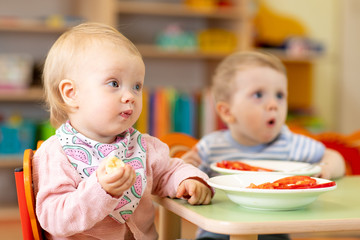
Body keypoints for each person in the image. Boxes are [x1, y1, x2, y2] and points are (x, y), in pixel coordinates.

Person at [33, 22, 213, 240]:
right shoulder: (56, 154)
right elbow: (54, 219)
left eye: (137, 86)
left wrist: (189, 180)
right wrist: (100, 190)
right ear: (71, 93)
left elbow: (169, 171)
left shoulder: (144, 146)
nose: (130, 96)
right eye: (114, 83)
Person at [182, 51, 346, 240]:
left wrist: (326, 168)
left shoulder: (289, 143)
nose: (273, 105)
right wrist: (187, 168)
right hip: (217, 233)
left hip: (271, 234)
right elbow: (187, 181)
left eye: (280, 95)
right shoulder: (211, 146)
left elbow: (335, 157)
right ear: (227, 112)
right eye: (258, 94)